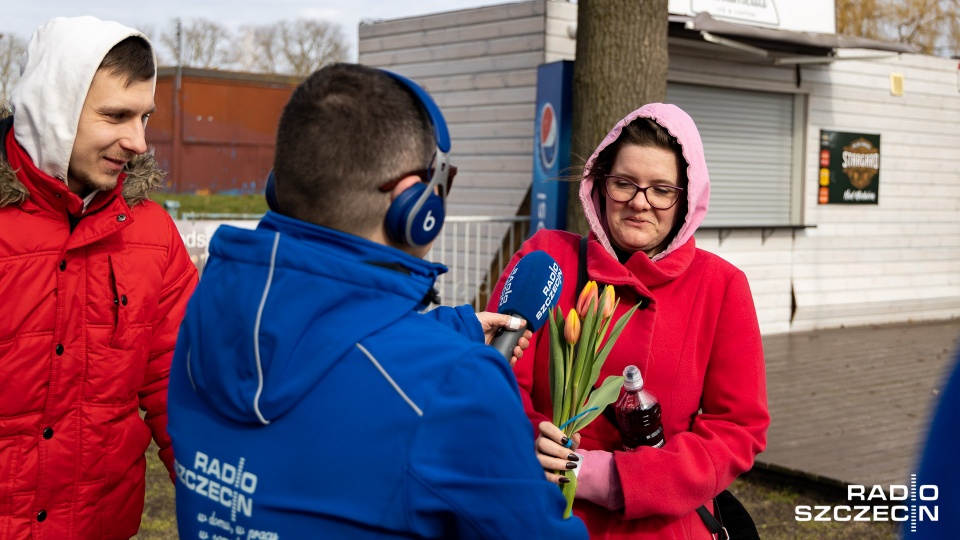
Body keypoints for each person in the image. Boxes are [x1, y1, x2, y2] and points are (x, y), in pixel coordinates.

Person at [166, 63, 586, 539]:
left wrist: (450, 334)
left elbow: (324, 353)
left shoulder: (208, 315)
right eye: (438, 182)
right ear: (415, 205)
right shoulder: (459, 385)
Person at [487, 103, 770, 539]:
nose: (640, 203)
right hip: (540, 511)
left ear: (686, 199)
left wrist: (611, 478)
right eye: (624, 184)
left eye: (661, 189)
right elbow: (497, 380)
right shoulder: (547, 261)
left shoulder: (721, 286)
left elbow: (737, 429)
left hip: (661, 526)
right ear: (600, 186)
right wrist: (532, 445)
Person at [0, 16, 198, 539]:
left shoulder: (154, 234)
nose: (137, 141)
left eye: (145, 117)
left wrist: (223, 505)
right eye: (115, 116)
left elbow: (179, 385)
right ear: (53, 109)